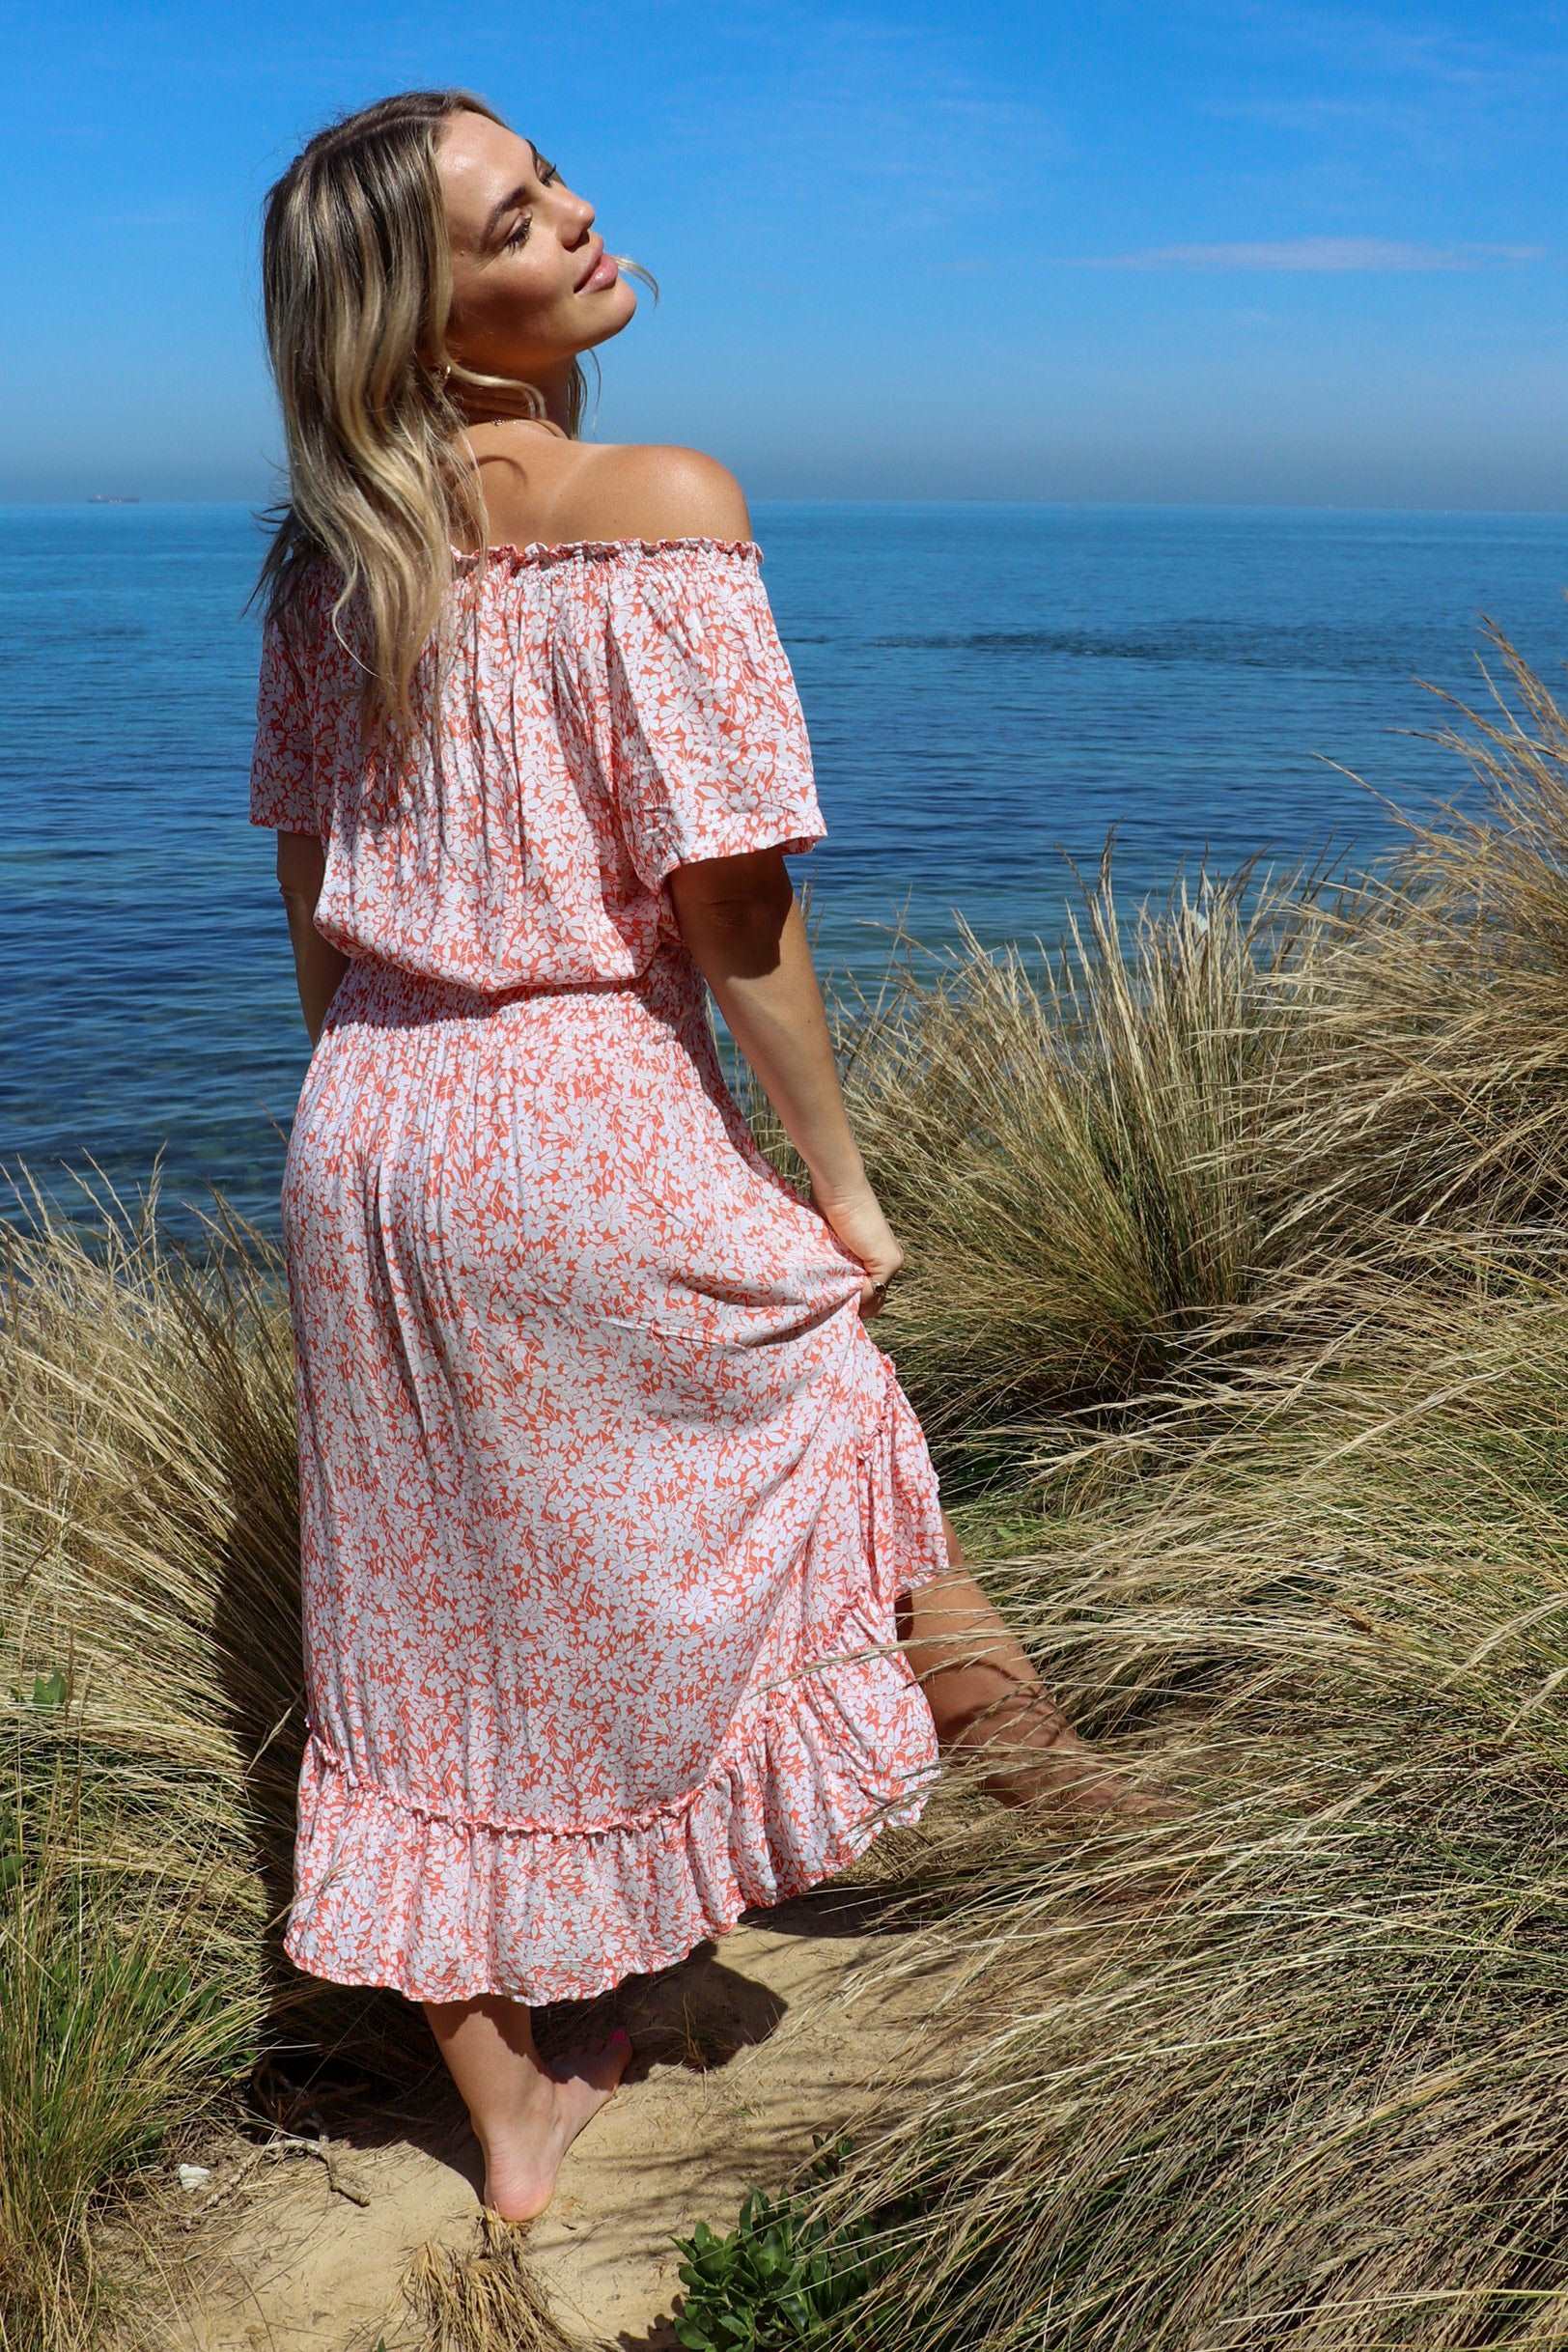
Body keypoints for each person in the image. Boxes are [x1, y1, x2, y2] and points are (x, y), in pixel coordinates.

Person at [249, 87, 1167, 2227]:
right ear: (421, 312)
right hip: (582, 1098)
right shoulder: (653, 498)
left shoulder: (324, 555)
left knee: (420, 1614)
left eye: (549, 178)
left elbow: (310, 895)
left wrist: (384, 1135)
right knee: (837, 1417)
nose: (575, 219)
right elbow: (729, 907)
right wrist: (832, 1179)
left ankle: (510, 2099)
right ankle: (1062, 1806)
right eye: (511, 221)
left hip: (366, 1116)